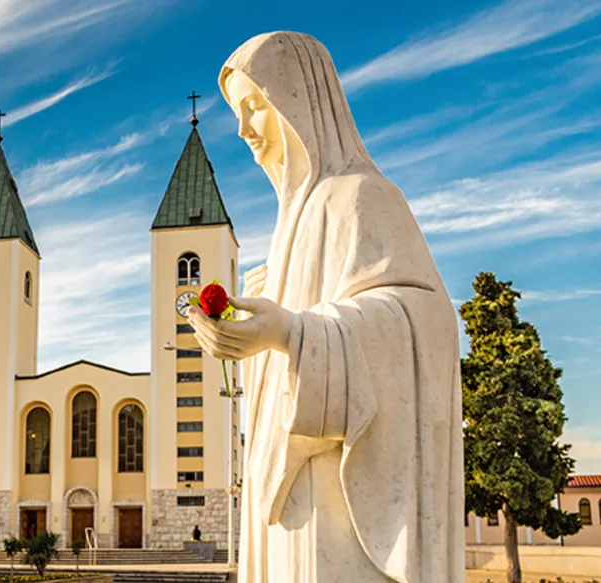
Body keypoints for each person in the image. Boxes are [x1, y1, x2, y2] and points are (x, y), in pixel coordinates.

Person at [190, 31, 464, 582]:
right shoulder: (290, 227)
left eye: (254, 108)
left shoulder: (361, 196)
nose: (244, 130)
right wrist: (258, 333)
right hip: (288, 500)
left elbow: (426, 321)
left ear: (297, 103)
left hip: (334, 494)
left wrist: (292, 332)